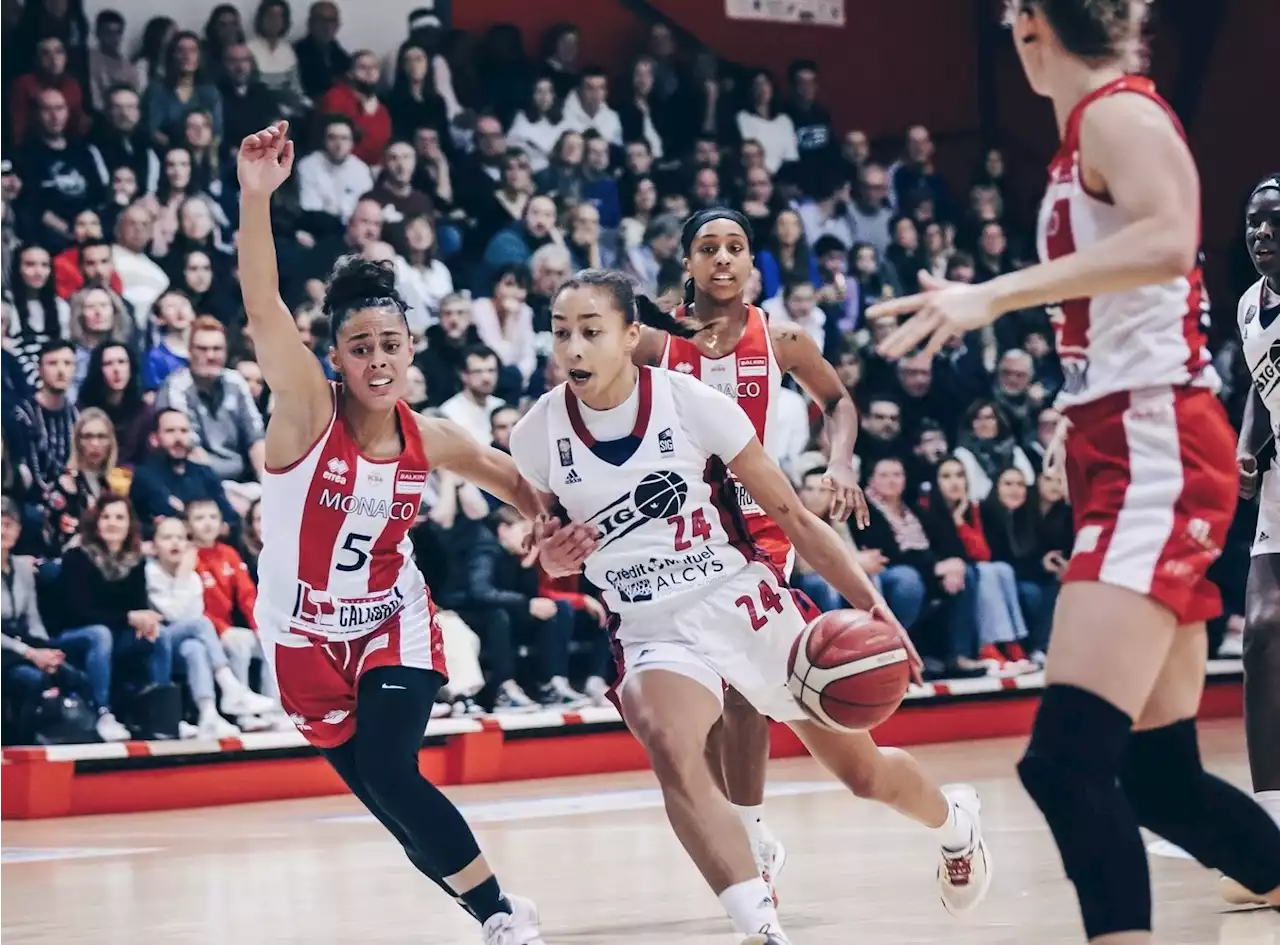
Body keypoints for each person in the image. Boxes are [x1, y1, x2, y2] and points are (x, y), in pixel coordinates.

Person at [871, 3, 1280, 942]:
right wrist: (1077, 403)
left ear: (1030, 28)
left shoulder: (1117, 113)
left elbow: (1169, 241)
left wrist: (992, 295)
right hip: (1122, 438)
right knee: (1159, 778)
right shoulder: (1089, 129)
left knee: (1064, 764)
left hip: (1155, 448)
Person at [519, 268, 990, 945]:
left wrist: (872, 602)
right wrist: (556, 559)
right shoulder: (538, 434)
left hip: (740, 599)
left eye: (590, 331)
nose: (573, 348)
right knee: (671, 745)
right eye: (561, 333)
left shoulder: (689, 402)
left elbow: (794, 516)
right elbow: (548, 544)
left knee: (864, 774)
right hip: (651, 624)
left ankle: (955, 823)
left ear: (630, 335)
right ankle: (762, 924)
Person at [235, 121, 593, 945]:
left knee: (394, 769)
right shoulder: (305, 412)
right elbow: (262, 305)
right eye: (360, 347)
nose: (378, 359)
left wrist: (552, 531)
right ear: (335, 356)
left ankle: (503, 919)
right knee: (388, 803)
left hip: (391, 619)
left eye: (391, 344)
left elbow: (510, 479)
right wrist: (257, 198)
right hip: (300, 633)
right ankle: (496, 908)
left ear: (411, 349)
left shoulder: (430, 434)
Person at [628, 206, 866, 897]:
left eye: (736, 247)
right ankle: (742, 822)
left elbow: (838, 401)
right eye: (709, 247)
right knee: (696, 692)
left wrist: (840, 463)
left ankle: (753, 836)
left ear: (753, 261)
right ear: (689, 264)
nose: (724, 258)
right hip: (679, 532)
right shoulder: (652, 343)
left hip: (760, 527)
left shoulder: (783, 337)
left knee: (739, 688)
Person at [1231, 172, 1280, 905]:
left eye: (1274, 223)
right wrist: (1247, 442)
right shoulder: (1248, 304)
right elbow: (1257, 383)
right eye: (1252, 223)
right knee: (1260, 632)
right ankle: (1270, 818)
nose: (1261, 234)